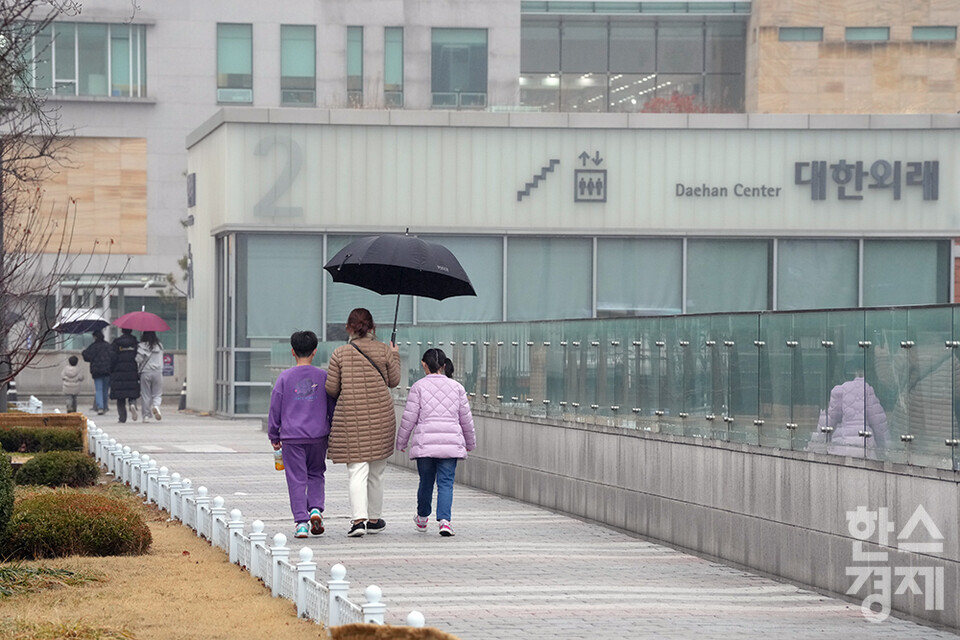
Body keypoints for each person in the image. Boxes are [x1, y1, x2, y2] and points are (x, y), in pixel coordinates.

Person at [325, 308, 400, 537]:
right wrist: (394, 354)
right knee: (377, 471)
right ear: (372, 327)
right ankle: (374, 519)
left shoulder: (340, 353)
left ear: (349, 328)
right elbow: (394, 381)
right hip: (382, 416)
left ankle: (359, 521)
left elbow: (331, 389)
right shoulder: (383, 350)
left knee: (357, 470)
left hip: (352, 417)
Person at [396, 348, 476, 537]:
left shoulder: (418, 387)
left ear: (424, 364)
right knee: (446, 482)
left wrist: (402, 442)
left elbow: (409, 418)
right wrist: (470, 443)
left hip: (426, 443)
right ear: (444, 365)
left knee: (426, 481)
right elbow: (466, 420)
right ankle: (445, 522)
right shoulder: (457, 388)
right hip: (450, 443)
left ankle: (422, 518)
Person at [268, 330, 336, 539]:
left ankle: (301, 523)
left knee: (296, 479)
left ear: (292, 352)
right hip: (318, 436)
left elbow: (275, 407)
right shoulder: (323, 376)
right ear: (315, 351)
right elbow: (332, 406)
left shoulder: (284, 377)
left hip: (292, 437)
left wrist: (274, 435)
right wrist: (332, 430)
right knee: (316, 473)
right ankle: (316, 509)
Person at [824, 360, 889, 459]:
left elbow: (831, 420)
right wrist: (883, 447)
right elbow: (878, 422)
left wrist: (822, 440)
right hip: (866, 444)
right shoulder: (868, 390)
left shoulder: (839, 391)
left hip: (844, 443)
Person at [110, 328, 141, 423]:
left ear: (122, 331)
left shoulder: (116, 343)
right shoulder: (135, 343)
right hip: (132, 370)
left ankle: (122, 418)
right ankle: (132, 404)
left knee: (120, 397)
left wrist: (111, 370)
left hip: (119, 372)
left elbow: (112, 357)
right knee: (132, 392)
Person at [81, 329, 112, 414]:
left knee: (98, 390)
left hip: (97, 371)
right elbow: (112, 356)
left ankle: (100, 407)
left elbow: (87, 357)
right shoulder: (108, 346)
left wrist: (83, 352)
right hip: (107, 370)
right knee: (105, 390)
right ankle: (105, 407)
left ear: (94, 337)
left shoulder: (93, 346)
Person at [136, 330, 164, 422]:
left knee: (146, 395)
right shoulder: (159, 346)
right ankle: (156, 406)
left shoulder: (142, 346)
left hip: (145, 372)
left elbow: (138, 360)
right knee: (157, 393)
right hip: (158, 372)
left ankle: (146, 416)